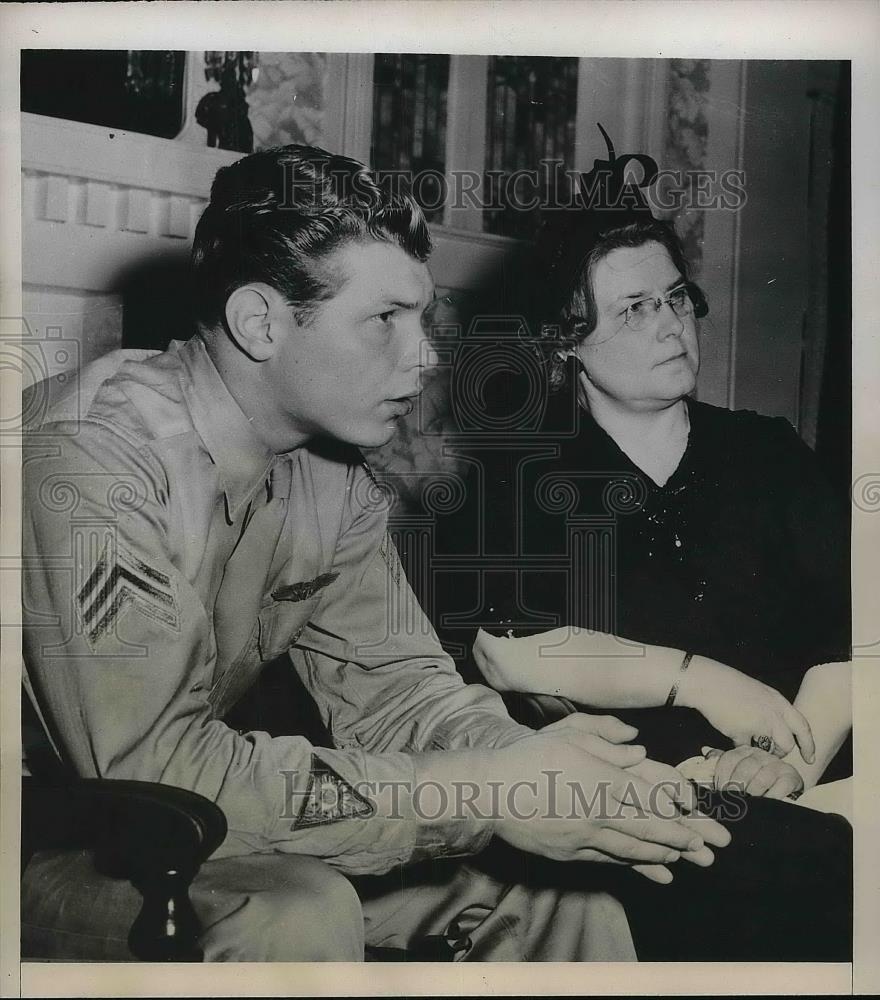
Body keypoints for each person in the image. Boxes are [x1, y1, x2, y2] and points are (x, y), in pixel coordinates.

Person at [20, 144, 731, 963]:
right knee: (294, 910)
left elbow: (401, 689)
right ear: (260, 323)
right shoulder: (90, 460)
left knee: (561, 901)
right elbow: (154, 773)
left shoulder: (333, 477)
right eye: (384, 320)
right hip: (49, 830)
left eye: (419, 318)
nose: (423, 355)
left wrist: (542, 770)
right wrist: (476, 792)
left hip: (180, 813)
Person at [432, 130, 852, 960]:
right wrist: (700, 682)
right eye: (633, 309)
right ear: (566, 344)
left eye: (674, 298)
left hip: (802, 781)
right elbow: (510, 649)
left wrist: (792, 762)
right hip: (639, 807)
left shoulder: (768, 454)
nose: (669, 325)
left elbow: (856, 631)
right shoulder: (520, 484)